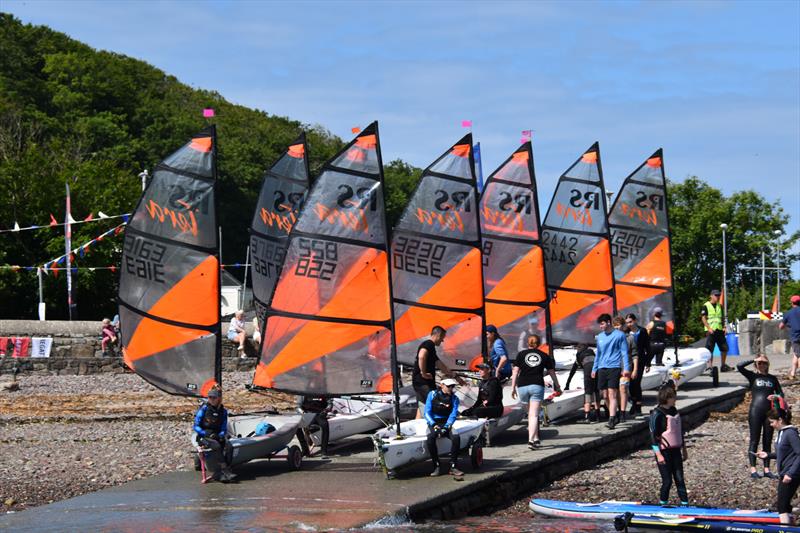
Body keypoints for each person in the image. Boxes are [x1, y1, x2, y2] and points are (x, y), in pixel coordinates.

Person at [511, 334, 561, 448]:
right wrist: (557, 386)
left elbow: (515, 372)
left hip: (522, 385)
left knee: (530, 414)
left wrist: (513, 387)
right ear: (538, 344)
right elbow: (552, 372)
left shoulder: (521, 355)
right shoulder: (544, 355)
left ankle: (536, 438)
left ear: (527, 343)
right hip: (537, 385)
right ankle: (531, 440)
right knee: (534, 415)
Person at [738, 355, 783, 479]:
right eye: (760, 363)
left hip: (769, 412)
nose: (762, 365)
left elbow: (780, 393)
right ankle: (753, 470)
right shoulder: (753, 376)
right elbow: (739, 366)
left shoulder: (772, 378)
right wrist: (753, 359)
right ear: (756, 364)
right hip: (755, 411)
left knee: (767, 440)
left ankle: (767, 469)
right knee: (754, 440)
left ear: (768, 364)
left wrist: (776, 397)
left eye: (764, 363)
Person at [757, 401, 800, 525]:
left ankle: (784, 529)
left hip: (791, 474)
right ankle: (790, 526)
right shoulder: (781, 433)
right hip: (785, 473)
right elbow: (785, 453)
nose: (770, 425)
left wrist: (790, 474)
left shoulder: (790, 433)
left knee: (781, 505)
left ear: (780, 420)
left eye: (772, 422)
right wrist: (768, 455)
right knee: (785, 504)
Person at [650, 385, 688, 505]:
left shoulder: (674, 411)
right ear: (666, 397)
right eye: (673, 396)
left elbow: (678, 431)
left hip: (676, 450)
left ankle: (685, 504)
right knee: (667, 481)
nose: (675, 398)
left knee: (680, 479)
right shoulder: (657, 413)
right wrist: (658, 455)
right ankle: (663, 504)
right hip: (663, 452)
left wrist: (684, 449)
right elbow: (652, 436)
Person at [412, 326, 460, 418]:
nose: (442, 341)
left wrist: (455, 376)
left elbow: (441, 365)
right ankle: (443, 421)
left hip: (421, 383)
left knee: (422, 403)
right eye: (442, 338)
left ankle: (416, 423)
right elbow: (421, 356)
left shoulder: (432, 349)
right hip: (423, 383)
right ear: (438, 335)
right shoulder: (428, 344)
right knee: (435, 401)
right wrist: (424, 373)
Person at [592, 313, 630, 429]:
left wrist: (626, 368)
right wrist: (594, 368)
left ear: (608, 322)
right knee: (604, 395)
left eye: (602, 324)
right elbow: (598, 354)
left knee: (612, 393)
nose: (601, 326)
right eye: (600, 325)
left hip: (614, 367)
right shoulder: (600, 337)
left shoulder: (620, 335)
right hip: (602, 368)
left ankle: (612, 419)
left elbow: (624, 352)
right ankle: (613, 414)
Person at [193, 386, 236, 483]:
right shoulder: (204, 409)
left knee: (229, 446)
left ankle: (225, 470)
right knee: (216, 446)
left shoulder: (223, 411)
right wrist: (205, 433)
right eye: (209, 397)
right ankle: (224, 470)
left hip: (216, 435)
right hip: (203, 436)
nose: (211, 399)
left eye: (214, 397)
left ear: (218, 399)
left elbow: (224, 427)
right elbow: (195, 426)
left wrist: (221, 435)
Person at [424, 378, 464, 477]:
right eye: (448, 386)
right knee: (430, 438)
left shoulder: (455, 399)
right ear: (441, 385)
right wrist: (434, 425)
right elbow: (427, 412)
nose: (451, 388)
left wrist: (446, 427)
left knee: (456, 437)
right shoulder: (432, 394)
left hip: (446, 422)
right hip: (434, 422)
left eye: (452, 386)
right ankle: (436, 466)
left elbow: (453, 414)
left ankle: (453, 467)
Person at [565, 343, 600, 423]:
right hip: (597, 370)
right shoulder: (591, 352)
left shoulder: (579, 355)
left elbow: (573, 371)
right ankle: (598, 416)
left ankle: (587, 417)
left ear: (578, 349)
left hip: (588, 370)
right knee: (596, 391)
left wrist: (567, 385)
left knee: (588, 392)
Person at [613, 316, 636, 422]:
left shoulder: (630, 338)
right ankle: (617, 410)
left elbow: (635, 354)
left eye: (619, 325)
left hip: (626, 367)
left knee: (623, 389)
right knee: (615, 391)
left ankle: (622, 413)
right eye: (615, 325)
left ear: (623, 326)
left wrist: (635, 369)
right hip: (614, 367)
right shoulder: (611, 338)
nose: (617, 327)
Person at [626, 313, 650, 416]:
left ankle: (638, 406)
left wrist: (648, 363)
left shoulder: (642, 331)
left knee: (636, 382)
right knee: (630, 384)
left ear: (635, 321)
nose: (629, 324)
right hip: (628, 360)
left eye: (630, 322)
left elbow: (647, 347)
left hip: (639, 360)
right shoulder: (626, 332)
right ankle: (633, 404)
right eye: (627, 323)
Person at [701, 289, 730, 372]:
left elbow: (722, 318)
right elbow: (703, 318)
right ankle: (710, 367)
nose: (717, 297)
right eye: (716, 295)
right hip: (711, 331)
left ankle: (723, 365)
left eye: (718, 295)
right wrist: (709, 328)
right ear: (711, 296)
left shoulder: (719, 306)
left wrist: (724, 327)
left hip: (719, 330)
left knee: (724, 348)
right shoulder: (706, 305)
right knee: (710, 349)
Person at [780, 295, 800, 380]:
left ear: (792, 303)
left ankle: (793, 374)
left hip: (795, 337)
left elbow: (781, 326)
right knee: (797, 354)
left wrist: (788, 325)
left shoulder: (788, 313)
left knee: (798, 355)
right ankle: (792, 373)